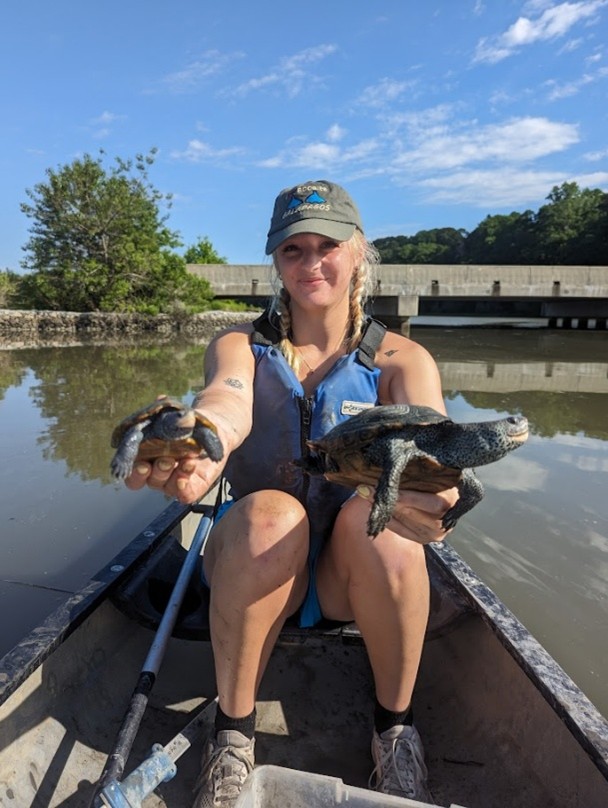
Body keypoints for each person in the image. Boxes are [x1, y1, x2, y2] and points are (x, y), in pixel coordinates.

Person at [125, 179, 459, 807]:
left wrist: (438, 503)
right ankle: (232, 736)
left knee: (380, 523)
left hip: (342, 579)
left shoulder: (402, 361)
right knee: (273, 515)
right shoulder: (239, 347)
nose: (311, 264)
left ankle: (394, 729)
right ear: (275, 261)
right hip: (252, 559)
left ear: (359, 251)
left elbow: (434, 452)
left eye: (327, 246)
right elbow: (226, 399)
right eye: (293, 251)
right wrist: (201, 439)